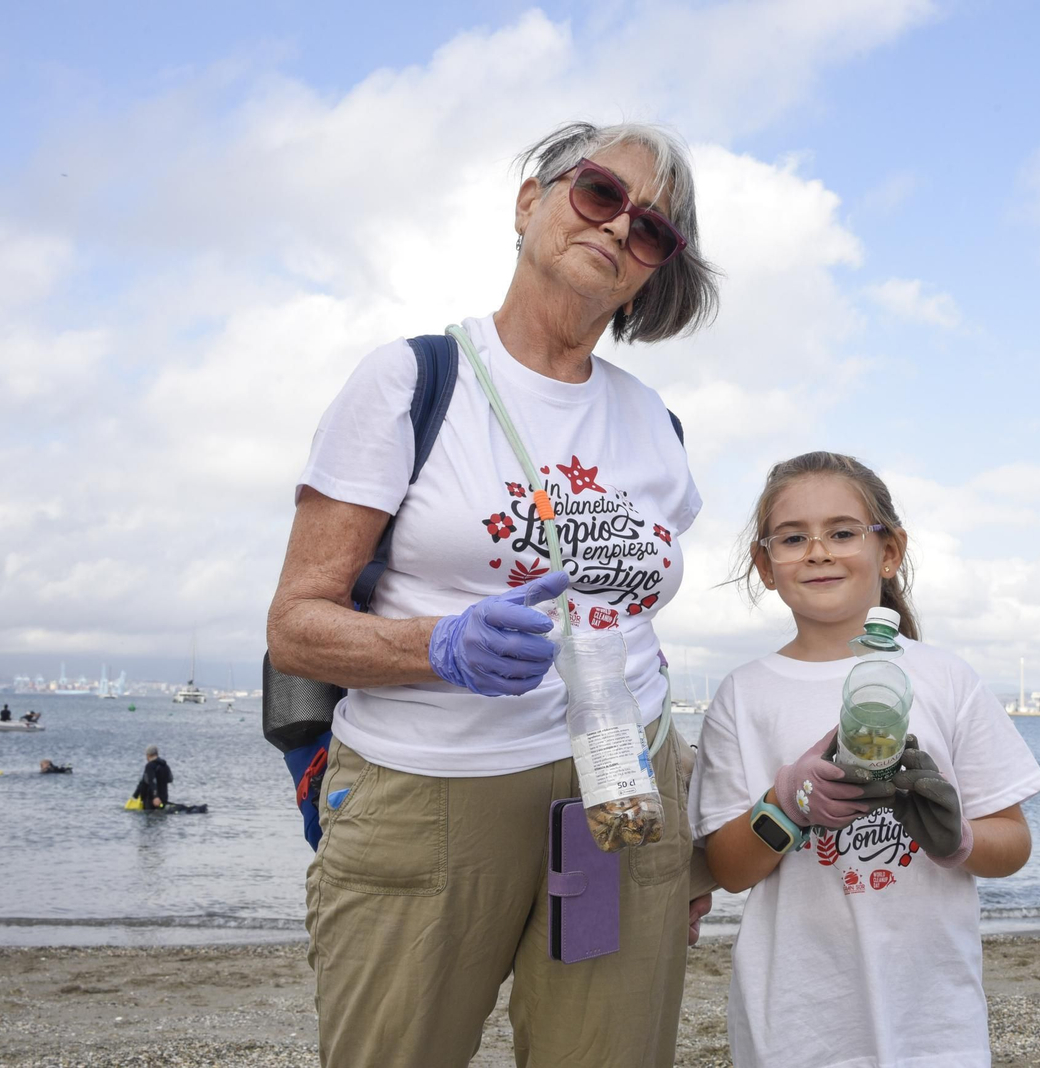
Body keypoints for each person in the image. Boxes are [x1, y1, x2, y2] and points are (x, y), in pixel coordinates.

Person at [265, 121, 721, 1068]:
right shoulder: (412, 379)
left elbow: (633, 616)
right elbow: (297, 627)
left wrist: (676, 816)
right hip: (430, 794)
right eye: (600, 192)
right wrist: (437, 645)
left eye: (651, 229)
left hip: (623, 796)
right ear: (529, 202)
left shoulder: (656, 423)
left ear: (654, 270)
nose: (619, 226)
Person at [689, 452, 1040, 1068]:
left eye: (842, 532)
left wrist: (957, 839)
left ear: (890, 551)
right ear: (765, 565)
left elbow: (1013, 844)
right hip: (795, 1022)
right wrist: (787, 803)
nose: (818, 552)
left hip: (933, 1021)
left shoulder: (947, 678)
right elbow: (728, 868)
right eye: (793, 538)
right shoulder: (744, 693)